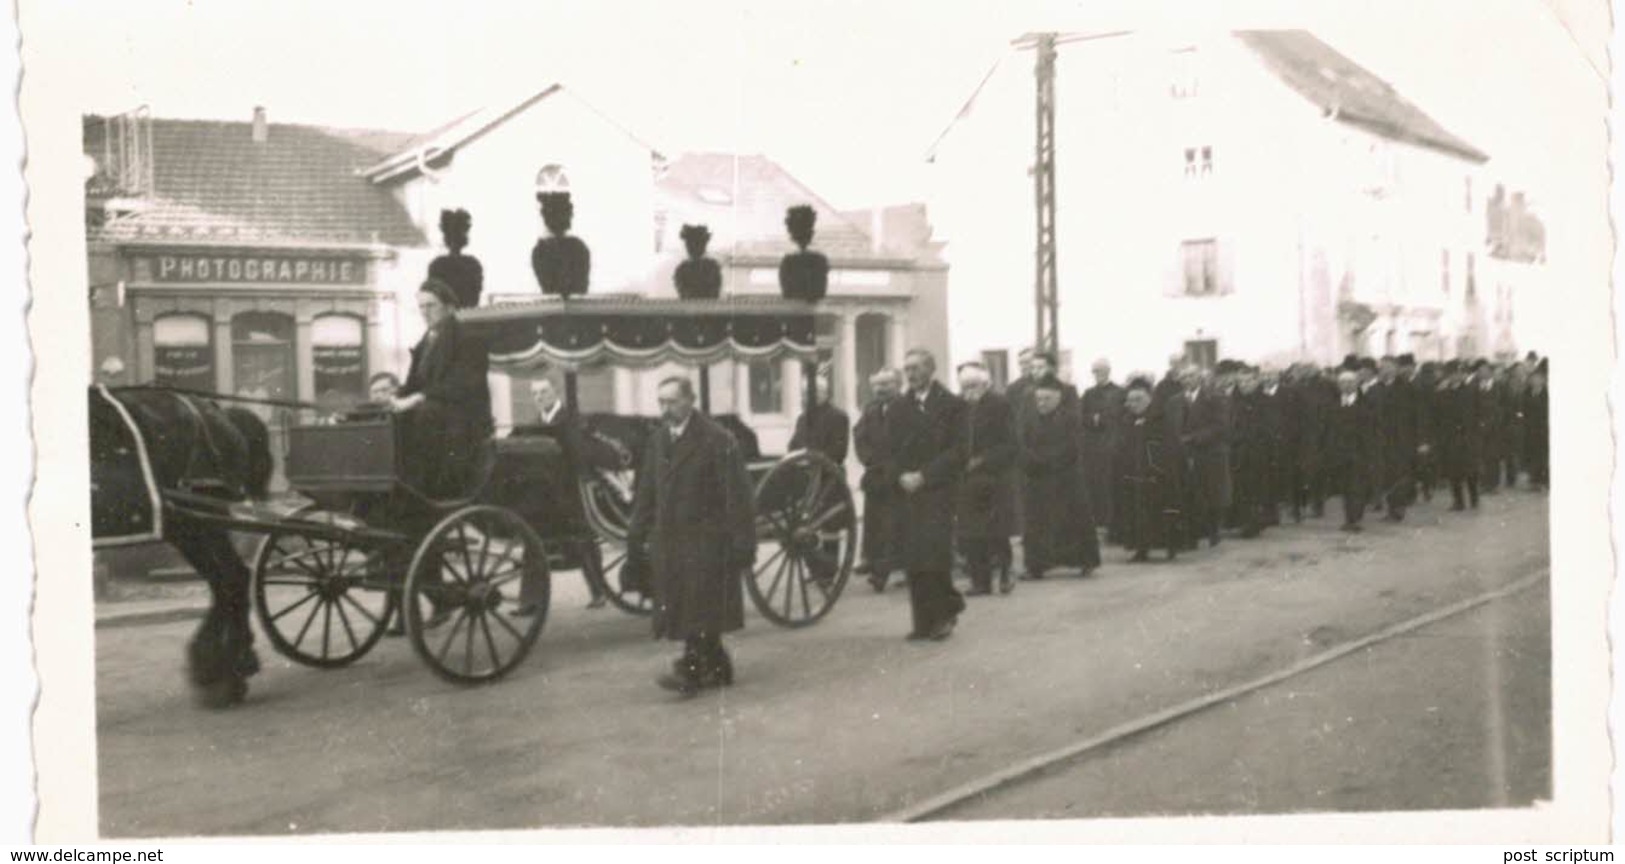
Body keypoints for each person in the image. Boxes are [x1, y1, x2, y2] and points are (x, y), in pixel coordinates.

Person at [627, 376, 757, 696]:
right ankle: (719, 665)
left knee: (697, 606)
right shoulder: (658, 440)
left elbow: (738, 496)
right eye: (661, 402)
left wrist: (743, 543)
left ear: (690, 400)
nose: (665, 408)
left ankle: (691, 671)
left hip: (707, 539)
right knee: (688, 605)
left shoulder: (717, 439)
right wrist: (636, 530)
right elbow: (647, 489)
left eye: (671, 401)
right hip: (670, 538)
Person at [886, 349, 968, 640]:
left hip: (938, 489)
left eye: (917, 368)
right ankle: (922, 622)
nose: (911, 374)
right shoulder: (897, 407)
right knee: (914, 557)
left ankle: (944, 614)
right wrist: (900, 476)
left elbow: (959, 451)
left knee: (935, 553)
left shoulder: (952, 405)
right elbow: (889, 449)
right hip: (908, 489)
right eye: (907, 369)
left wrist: (925, 475)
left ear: (931, 369)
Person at [509, 376, 607, 610]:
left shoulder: (567, 420)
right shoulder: (534, 424)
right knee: (533, 542)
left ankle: (599, 591)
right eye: (535, 394)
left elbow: (579, 455)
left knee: (584, 541)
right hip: (543, 495)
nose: (539, 397)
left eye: (543, 392)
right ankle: (530, 602)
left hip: (568, 492)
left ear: (556, 392)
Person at [391, 278, 492, 500]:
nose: (425, 312)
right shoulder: (425, 342)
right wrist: (395, 398)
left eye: (431, 306)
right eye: (421, 307)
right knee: (389, 418)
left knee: (426, 413)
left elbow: (463, 384)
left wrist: (419, 397)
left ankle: (428, 491)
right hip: (434, 414)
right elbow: (413, 383)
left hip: (461, 422)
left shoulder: (469, 338)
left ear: (449, 307)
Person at [1019, 376, 1099, 578]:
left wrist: (1045, 460)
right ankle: (1036, 566)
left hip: (1065, 479)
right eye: (1038, 399)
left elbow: (1071, 448)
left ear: (1058, 398)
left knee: (1072, 522)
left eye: (1046, 399)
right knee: (1037, 524)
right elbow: (1021, 444)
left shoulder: (1070, 419)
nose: (1042, 404)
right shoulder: (1029, 419)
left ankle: (1084, 561)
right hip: (1037, 479)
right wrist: (1031, 460)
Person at [955, 362, 1018, 596]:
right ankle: (979, 581)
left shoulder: (999, 404)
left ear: (985, 384)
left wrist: (982, 460)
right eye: (965, 386)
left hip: (995, 475)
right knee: (971, 533)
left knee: (996, 530)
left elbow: (1010, 443)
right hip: (967, 478)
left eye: (973, 385)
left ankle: (1005, 573)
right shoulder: (959, 406)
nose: (969, 391)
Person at [1113, 379, 1175, 562]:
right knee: (1136, 511)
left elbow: (1168, 445)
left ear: (1149, 399)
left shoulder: (1160, 417)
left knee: (1161, 509)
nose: (1133, 404)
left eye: (1138, 400)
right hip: (1134, 473)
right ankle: (1141, 548)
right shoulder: (1127, 419)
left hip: (1156, 473)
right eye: (1130, 400)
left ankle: (1169, 546)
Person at [854, 368, 902, 592]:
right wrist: (869, 460)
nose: (881, 389)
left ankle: (882, 571)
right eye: (877, 385)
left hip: (898, 476)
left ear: (898, 385)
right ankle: (872, 561)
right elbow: (860, 436)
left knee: (892, 524)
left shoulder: (906, 407)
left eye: (887, 384)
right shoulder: (871, 409)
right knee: (874, 522)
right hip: (874, 475)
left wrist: (894, 466)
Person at [1179, 365, 1227, 548]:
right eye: (1184, 377)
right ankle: (1193, 534)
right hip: (1185, 453)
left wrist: (1195, 438)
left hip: (1209, 452)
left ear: (1199, 378)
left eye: (1191, 376)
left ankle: (1214, 530)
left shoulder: (1212, 398)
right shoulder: (1177, 400)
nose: (1187, 380)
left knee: (1211, 493)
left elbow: (1220, 425)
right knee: (1190, 493)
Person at [1324, 369, 1374, 532]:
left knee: (1356, 486)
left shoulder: (1366, 403)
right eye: (1343, 382)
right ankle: (1349, 517)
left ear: (1357, 384)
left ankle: (1354, 519)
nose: (1346, 386)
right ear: (1338, 385)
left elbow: (1372, 429)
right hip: (1339, 454)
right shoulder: (1332, 404)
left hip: (1360, 453)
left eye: (1350, 382)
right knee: (1345, 487)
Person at [1080, 358, 1125, 537]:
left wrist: (1103, 418)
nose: (1097, 375)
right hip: (1093, 447)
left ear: (1108, 371)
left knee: (1111, 484)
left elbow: (1120, 415)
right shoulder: (1089, 394)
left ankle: (1112, 523)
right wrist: (1093, 419)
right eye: (1094, 371)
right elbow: (1082, 415)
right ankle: (1098, 522)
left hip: (1113, 444)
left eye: (1099, 371)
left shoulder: (1119, 392)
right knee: (1095, 484)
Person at [788, 373, 850, 463]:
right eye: (804, 394)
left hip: (828, 472)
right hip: (804, 471)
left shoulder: (838, 417)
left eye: (808, 393)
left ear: (824, 393)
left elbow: (838, 452)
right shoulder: (802, 419)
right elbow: (793, 446)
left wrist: (809, 460)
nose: (805, 398)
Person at [1523, 360, 1549, 490]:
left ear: (1543, 380)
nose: (1535, 381)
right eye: (1533, 378)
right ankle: (1534, 480)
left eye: (1538, 378)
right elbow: (1522, 410)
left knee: (1543, 456)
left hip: (1543, 430)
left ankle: (1544, 481)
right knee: (1532, 456)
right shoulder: (1527, 393)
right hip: (1530, 430)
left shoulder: (1547, 394)